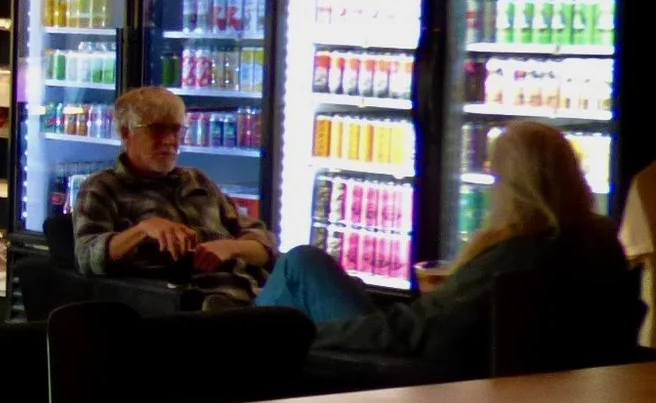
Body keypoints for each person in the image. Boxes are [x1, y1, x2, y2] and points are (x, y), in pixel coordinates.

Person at [260, 119, 638, 374]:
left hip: (420, 377)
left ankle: (242, 344)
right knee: (308, 268)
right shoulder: (600, 239)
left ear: (513, 186)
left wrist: (304, 334)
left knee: (299, 267)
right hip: (516, 381)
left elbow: (417, 332)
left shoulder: (514, 256)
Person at [72, 86, 274, 301]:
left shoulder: (198, 180)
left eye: (177, 130)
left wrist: (229, 247)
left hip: (257, 292)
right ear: (126, 133)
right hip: (199, 300)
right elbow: (87, 257)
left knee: (297, 261)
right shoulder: (103, 187)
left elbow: (265, 245)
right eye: (157, 129)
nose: (170, 140)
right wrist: (142, 230)